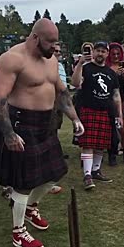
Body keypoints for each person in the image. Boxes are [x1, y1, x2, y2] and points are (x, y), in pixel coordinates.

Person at [0, 19, 85, 247]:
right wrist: (9, 134)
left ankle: (30, 208)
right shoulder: (13, 58)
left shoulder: (51, 60)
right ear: (35, 37)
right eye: (50, 42)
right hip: (21, 124)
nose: (54, 47)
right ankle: (18, 232)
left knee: (55, 174)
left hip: (45, 124)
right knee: (24, 182)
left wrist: (75, 118)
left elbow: (62, 92)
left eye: (56, 42)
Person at [71, 41, 123, 190]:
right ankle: (87, 175)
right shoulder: (86, 68)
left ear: (107, 54)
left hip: (105, 111)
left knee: (101, 144)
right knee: (88, 144)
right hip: (89, 109)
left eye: (103, 51)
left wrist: (119, 114)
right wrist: (80, 64)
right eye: (98, 51)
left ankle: (96, 170)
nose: (100, 53)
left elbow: (116, 95)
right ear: (93, 52)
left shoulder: (111, 73)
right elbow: (75, 83)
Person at [106, 43, 124, 166]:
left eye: (118, 54)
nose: (116, 56)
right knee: (110, 131)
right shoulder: (106, 67)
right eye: (113, 54)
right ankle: (112, 155)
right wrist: (113, 74)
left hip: (122, 100)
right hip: (108, 101)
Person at [49, 43, 68, 195]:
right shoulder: (42, 64)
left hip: (57, 107)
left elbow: (64, 88)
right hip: (44, 107)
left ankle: (48, 178)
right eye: (55, 51)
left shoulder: (60, 66)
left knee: (53, 137)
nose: (57, 53)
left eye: (59, 52)